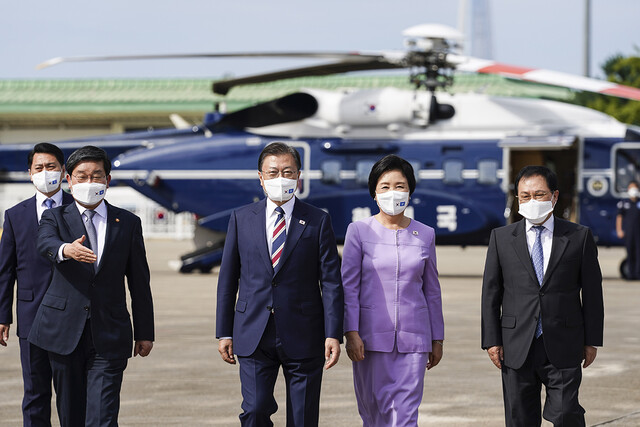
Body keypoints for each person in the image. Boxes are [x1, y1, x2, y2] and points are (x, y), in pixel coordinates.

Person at [216, 141, 343, 426]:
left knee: (302, 417)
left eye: (288, 172)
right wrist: (224, 331)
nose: (280, 178)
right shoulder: (240, 219)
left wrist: (334, 333)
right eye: (272, 172)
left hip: (305, 332)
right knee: (255, 409)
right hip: (253, 332)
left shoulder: (317, 220)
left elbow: (332, 282)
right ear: (260, 177)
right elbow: (227, 280)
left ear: (299, 177)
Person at [28, 145, 155, 427]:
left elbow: (139, 281)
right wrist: (65, 250)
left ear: (108, 181)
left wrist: (145, 332)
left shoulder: (128, 223)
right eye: (82, 176)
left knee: (103, 417)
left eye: (97, 176)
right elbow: (44, 243)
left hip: (109, 333)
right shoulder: (55, 217)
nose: (89, 183)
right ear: (69, 180)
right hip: (63, 332)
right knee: (71, 415)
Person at [481, 165, 604, 427]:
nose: (531, 201)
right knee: (520, 418)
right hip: (516, 344)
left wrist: (592, 340)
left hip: (564, 341)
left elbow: (593, 293)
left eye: (539, 194)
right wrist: (491, 340)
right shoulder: (501, 238)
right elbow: (491, 293)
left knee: (565, 414)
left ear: (555, 196)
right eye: (525, 196)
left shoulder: (578, 237)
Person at [341, 154, 444, 426]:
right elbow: (349, 286)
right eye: (385, 186)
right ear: (374, 193)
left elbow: (432, 290)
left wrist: (437, 338)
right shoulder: (359, 231)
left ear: (410, 191)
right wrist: (351, 332)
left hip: (415, 340)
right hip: (369, 339)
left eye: (400, 185)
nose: (393, 192)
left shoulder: (426, 234)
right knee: (374, 414)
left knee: (405, 416)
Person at [0, 143, 74, 427]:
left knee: (70, 397)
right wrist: (2, 316)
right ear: (29, 173)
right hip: (31, 319)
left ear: (63, 171)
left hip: (72, 319)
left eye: (51, 167)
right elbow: (5, 271)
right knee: (34, 395)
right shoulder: (15, 215)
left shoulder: (80, 209)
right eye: (39, 168)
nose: (45, 173)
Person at [616, 180, 640, 280]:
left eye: (635, 187)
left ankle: (638, 274)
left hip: (639, 232)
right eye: (631, 188)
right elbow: (619, 217)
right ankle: (631, 274)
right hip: (629, 232)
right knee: (630, 252)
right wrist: (619, 230)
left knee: (639, 253)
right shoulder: (624, 203)